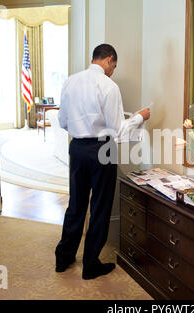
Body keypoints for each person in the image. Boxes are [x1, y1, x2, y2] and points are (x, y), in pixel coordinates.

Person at [55, 44, 150, 280]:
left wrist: (81, 131)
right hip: (102, 149)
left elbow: (63, 122)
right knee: (100, 206)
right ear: (109, 59)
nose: (113, 71)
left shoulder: (70, 81)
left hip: (77, 147)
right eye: (114, 66)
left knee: (76, 204)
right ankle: (90, 265)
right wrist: (140, 117)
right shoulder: (109, 86)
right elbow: (116, 129)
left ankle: (64, 257)